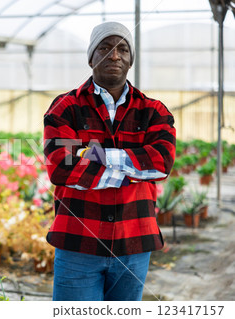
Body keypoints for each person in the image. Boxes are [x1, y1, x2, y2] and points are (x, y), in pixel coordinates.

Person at [43, 21, 176, 301]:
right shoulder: (64, 108)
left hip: (134, 242)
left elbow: (161, 163)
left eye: (122, 49)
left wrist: (96, 155)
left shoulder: (154, 111)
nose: (114, 55)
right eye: (105, 47)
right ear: (91, 58)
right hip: (77, 242)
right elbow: (62, 169)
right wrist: (133, 171)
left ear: (130, 61)